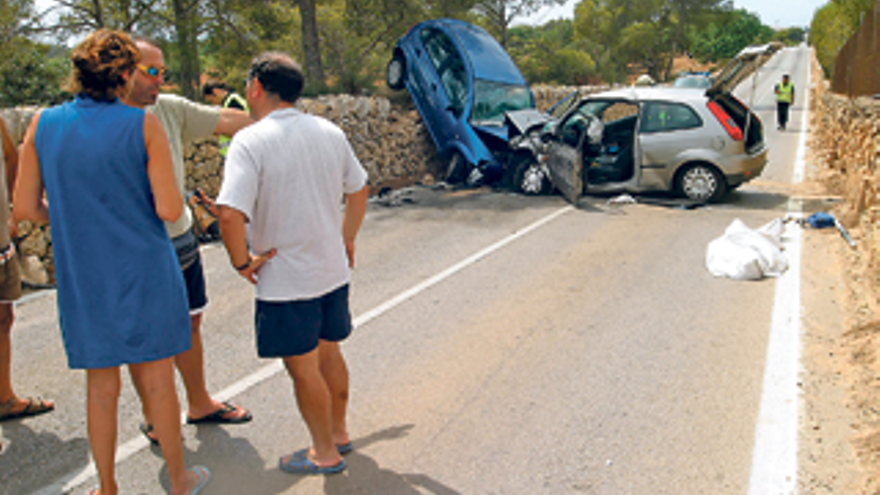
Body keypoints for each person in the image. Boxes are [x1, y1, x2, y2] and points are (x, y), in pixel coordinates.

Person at [13, 29, 209, 495]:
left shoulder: (43, 123)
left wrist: (71, 216)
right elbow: (168, 210)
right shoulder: (143, 124)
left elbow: (24, 208)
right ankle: (179, 481)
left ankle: (106, 486)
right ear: (124, 74)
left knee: (101, 387)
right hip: (143, 268)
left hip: (84, 273)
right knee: (157, 380)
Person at [216, 52, 369, 475]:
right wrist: (347, 237)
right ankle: (338, 432)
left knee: (304, 370)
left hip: (286, 279)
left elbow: (229, 213)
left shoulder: (251, 140)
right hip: (331, 269)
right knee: (330, 354)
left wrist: (241, 262)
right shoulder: (328, 131)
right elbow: (359, 190)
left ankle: (324, 452)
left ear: (255, 88)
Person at [120, 36, 254, 444]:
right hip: (132, 247)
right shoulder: (98, 122)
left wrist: (287, 120)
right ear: (122, 71)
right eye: (154, 71)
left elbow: (231, 122)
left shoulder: (169, 109)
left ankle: (199, 402)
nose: (162, 80)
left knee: (190, 321)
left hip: (178, 240)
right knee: (141, 335)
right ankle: (153, 416)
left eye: (164, 71)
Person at [0, 116, 55, 427]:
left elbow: (10, 157)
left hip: (0, 242)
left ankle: (5, 398)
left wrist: (8, 205)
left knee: (4, 318)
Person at [202, 80, 249, 157]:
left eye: (211, 100)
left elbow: (238, 127)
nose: (213, 103)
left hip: (238, 152)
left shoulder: (233, 102)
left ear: (215, 92)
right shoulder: (228, 103)